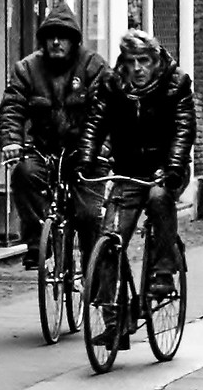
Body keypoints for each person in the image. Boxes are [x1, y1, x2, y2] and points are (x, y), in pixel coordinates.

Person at [81, 30, 196, 302]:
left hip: (166, 169)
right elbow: (95, 123)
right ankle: (111, 314)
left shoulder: (176, 82)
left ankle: (164, 272)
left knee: (158, 200)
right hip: (128, 170)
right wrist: (86, 158)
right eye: (131, 61)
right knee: (110, 236)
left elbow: (184, 128)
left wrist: (175, 166)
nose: (137, 68)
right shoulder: (113, 84)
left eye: (143, 61)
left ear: (155, 60)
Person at [0, 0, 108, 268]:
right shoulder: (27, 69)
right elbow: (13, 106)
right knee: (24, 174)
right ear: (43, 41)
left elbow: (106, 110)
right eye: (51, 37)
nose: (56, 43)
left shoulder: (93, 66)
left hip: (85, 153)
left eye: (63, 37)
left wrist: (102, 147)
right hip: (44, 150)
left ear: (74, 41)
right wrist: (12, 141)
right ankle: (39, 243)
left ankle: (94, 270)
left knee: (88, 214)